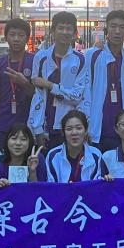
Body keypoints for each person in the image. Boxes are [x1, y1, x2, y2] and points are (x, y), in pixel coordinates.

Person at [29, 11, 87, 148]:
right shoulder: (40, 57)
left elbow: (77, 96)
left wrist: (50, 85)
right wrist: (37, 128)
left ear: (75, 33)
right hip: (45, 125)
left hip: (70, 127)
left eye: (69, 29)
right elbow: (38, 95)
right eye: (60, 28)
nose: (65, 32)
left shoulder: (80, 59)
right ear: (53, 32)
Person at [83, 10, 124, 152]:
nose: (117, 31)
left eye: (122, 27)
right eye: (113, 26)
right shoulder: (92, 55)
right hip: (95, 129)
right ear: (107, 29)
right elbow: (84, 91)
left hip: (120, 131)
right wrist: (85, 123)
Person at [0, 18, 35, 145]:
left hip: (28, 124)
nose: (16, 39)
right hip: (3, 124)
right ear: (6, 37)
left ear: (27, 38)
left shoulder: (35, 61)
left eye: (21, 35)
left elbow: (39, 96)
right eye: (12, 34)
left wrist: (24, 83)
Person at [38, 110, 107, 182]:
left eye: (79, 128)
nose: (74, 133)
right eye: (69, 129)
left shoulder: (96, 155)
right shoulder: (53, 156)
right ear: (63, 132)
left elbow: (96, 185)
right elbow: (51, 186)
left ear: (86, 131)